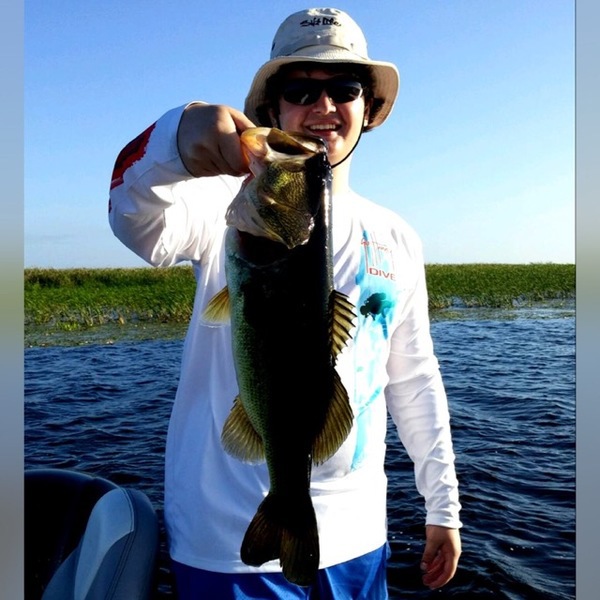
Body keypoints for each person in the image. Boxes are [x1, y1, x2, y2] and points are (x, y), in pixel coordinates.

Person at [108, 7, 462, 599]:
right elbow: (133, 218)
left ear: (369, 108)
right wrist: (178, 136)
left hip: (357, 537)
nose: (323, 106)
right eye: (299, 90)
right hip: (228, 544)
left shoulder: (396, 237)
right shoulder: (222, 209)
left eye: (344, 88)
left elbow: (414, 378)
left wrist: (442, 506)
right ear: (271, 110)